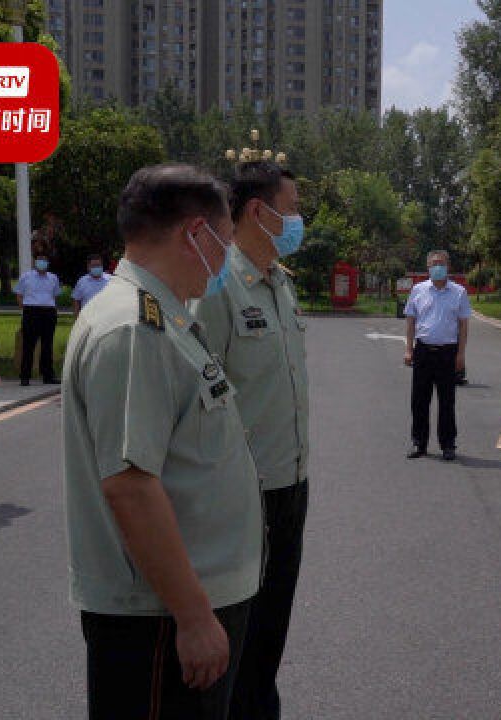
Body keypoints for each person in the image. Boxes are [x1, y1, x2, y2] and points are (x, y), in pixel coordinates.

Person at [62, 163, 263, 719]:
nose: (227, 258)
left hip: (184, 603)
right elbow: (129, 486)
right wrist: (195, 617)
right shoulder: (133, 328)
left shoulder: (166, 319)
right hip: (159, 617)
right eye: (223, 242)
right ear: (195, 235)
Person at [192, 161, 310, 720]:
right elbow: (195, 400)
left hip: (290, 487)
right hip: (243, 496)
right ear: (258, 213)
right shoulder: (216, 289)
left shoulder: (281, 285)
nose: (297, 221)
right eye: (291, 209)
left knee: (269, 638)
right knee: (237, 642)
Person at [404, 249, 471, 461]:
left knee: (446, 402)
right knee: (419, 401)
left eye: (441, 263)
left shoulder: (459, 292)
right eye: (433, 264)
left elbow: (463, 324)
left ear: (448, 266)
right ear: (428, 268)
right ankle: (419, 443)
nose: (437, 267)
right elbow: (410, 320)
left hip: (447, 353)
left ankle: (448, 444)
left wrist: (461, 354)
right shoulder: (418, 290)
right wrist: (408, 349)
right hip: (423, 350)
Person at [15, 251, 61, 385]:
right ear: (35, 263)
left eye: (44, 261)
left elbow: (55, 296)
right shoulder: (26, 277)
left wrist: (52, 310)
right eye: (39, 261)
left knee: (47, 345)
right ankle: (25, 376)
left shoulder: (53, 278)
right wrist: (24, 309)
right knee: (28, 345)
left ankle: (48, 375)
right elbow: (19, 294)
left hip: (48, 311)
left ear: (48, 264)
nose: (42, 264)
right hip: (31, 311)